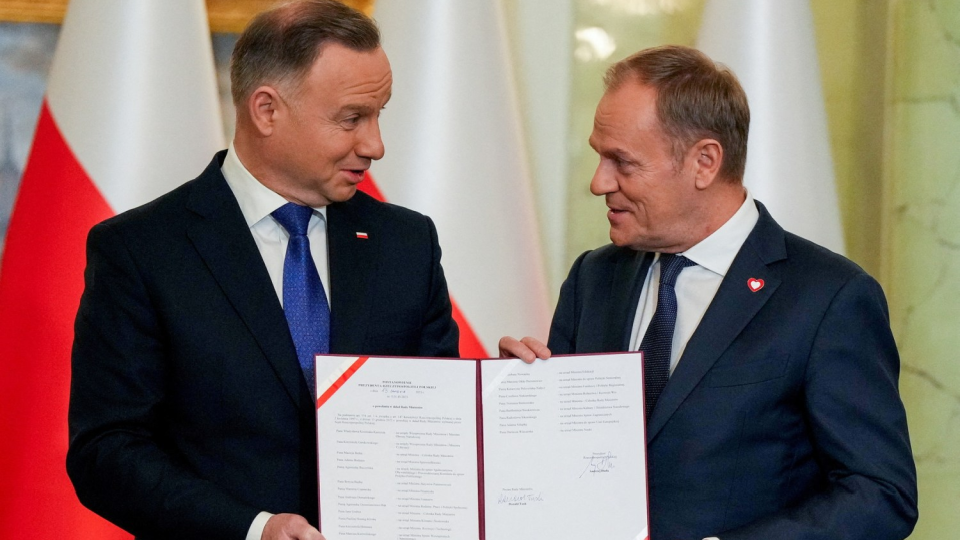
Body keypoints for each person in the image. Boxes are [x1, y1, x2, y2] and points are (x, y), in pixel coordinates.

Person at [67, 2, 459, 539]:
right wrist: (254, 529)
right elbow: (106, 451)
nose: (375, 145)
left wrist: (505, 395)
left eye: (379, 115)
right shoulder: (141, 251)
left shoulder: (406, 244)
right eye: (352, 118)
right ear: (267, 110)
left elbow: (436, 421)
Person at [500, 45, 917, 540]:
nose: (598, 182)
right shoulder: (595, 278)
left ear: (704, 162)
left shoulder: (829, 298)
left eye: (623, 162)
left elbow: (879, 492)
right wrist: (516, 402)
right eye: (598, 156)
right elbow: (567, 467)